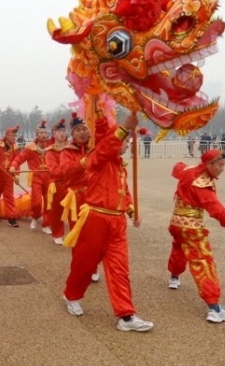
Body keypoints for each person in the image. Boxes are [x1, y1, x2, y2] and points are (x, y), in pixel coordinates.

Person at [61, 113, 152, 332]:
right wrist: (120, 127)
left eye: (128, 142)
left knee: (119, 268)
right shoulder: (100, 158)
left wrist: (131, 211)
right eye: (124, 141)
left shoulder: (120, 166)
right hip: (95, 219)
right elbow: (102, 148)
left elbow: (124, 193)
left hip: (117, 223)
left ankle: (126, 316)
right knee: (84, 264)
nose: (126, 145)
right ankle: (71, 295)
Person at [166, 142, 225, 323]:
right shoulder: (202, 184)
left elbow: (177, 168)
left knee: (178, 249)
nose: (222, 169)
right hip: (192, 228)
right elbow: (217, 210)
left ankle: (174, 276)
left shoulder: (189, 170)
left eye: (224, 165)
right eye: (220, 165)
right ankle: (214, 308)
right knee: (204, 262)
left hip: (176, 223)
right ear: (209, 165)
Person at [59, 113, 100, 281]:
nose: (83, 132)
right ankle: (78, 270)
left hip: (95, 196)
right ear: (72, 134)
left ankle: (93, 267)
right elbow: (65, 171)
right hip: (76, 198)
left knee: (95, 235)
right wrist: (82, 163)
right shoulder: (67, 152)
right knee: (78, 236)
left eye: (85, 129)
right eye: (78, 130)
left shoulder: (95, 149)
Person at [10, 120, 51, 230]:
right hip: (36, 177)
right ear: (37, 134)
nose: (43, 135)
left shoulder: (51, 147)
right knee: (36, 202)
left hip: (49, 178)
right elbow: (20, 158)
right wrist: (14, 165)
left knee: (49, 202)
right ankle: (35, 217)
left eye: (45, 133)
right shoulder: (30, 148)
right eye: (41, 133)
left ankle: (46, 224)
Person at [43, 119, 69, 243]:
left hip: (72, 184)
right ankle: (57, 234)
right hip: (57, 185)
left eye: (63, 131)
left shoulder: (72, 148)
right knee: (57, 211)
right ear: (53, 134)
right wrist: (72, 168)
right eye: (58, 131)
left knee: (75, 210)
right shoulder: (50, 152)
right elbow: (54, 171)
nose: (62, 134)